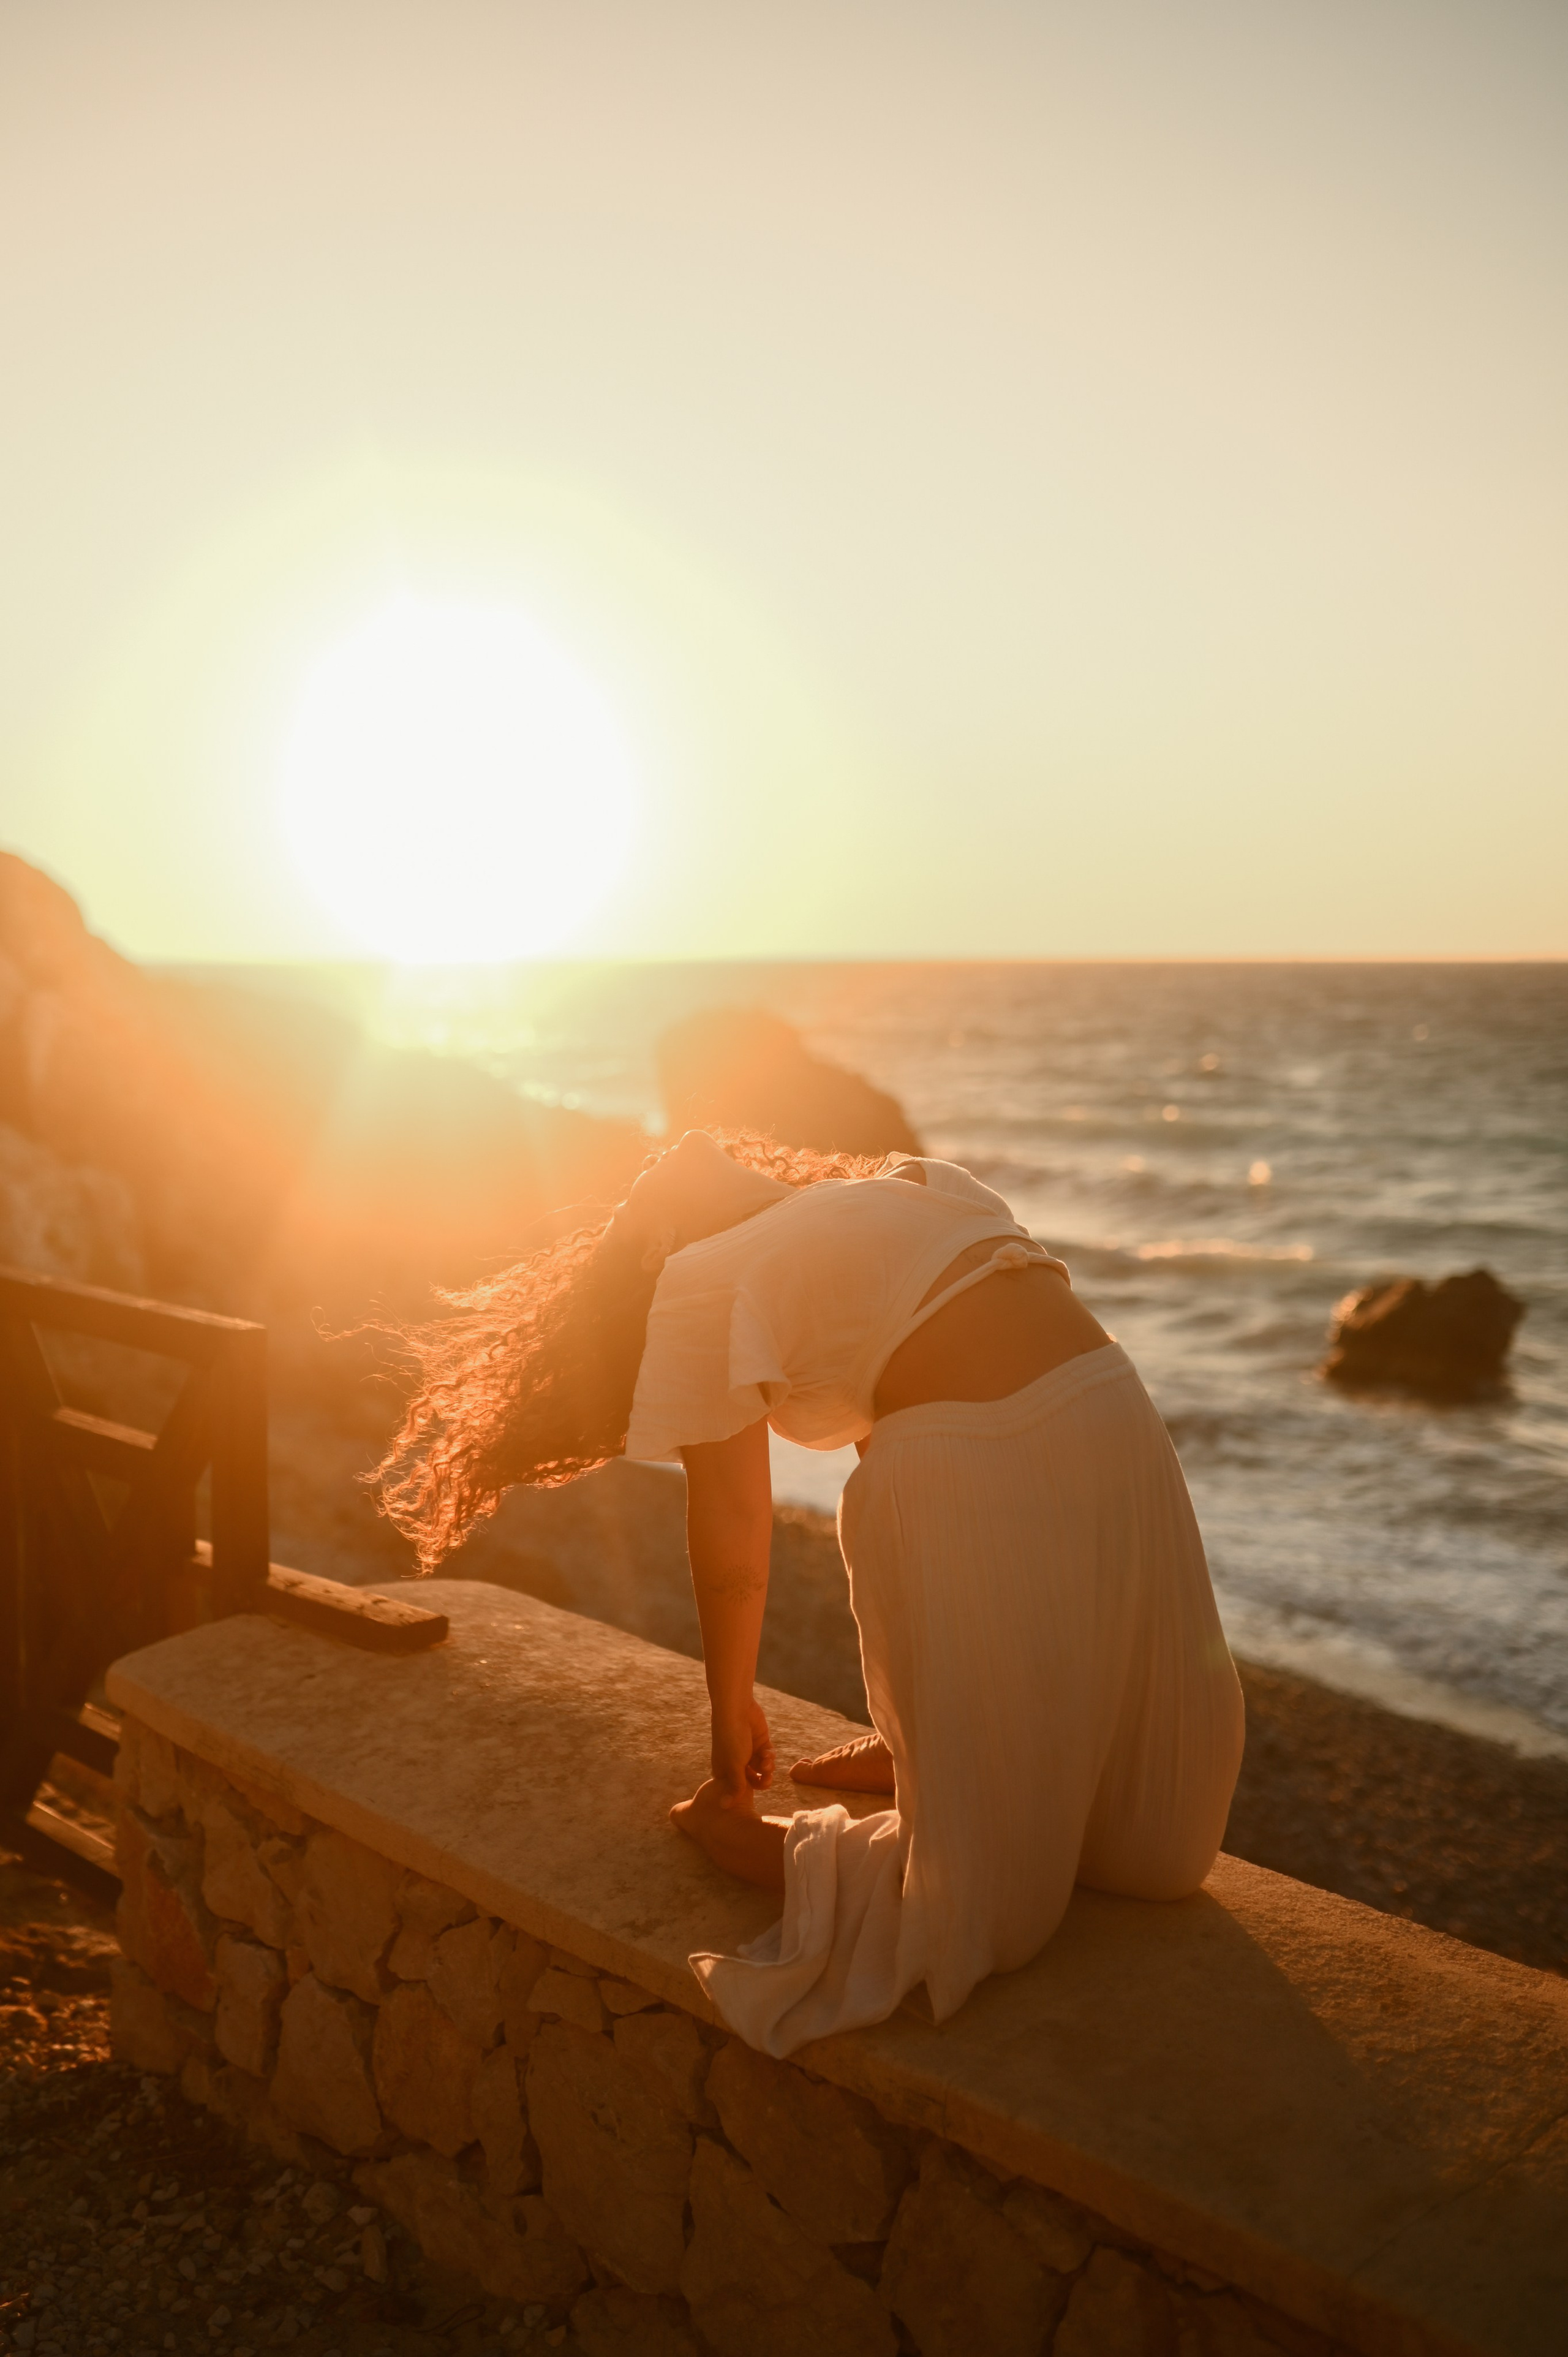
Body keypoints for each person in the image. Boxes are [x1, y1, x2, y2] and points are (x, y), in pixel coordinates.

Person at [375, 1128, 1245, 2059]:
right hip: (1122, 1426)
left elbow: (736, 1525)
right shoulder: (919, 1189)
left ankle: (744, 1843)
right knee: (1161, 1850)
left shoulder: (704, 1276)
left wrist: (727, 1720)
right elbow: (918, 1398)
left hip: (986, 1454)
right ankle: (920, 1750)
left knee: (969, 1901)